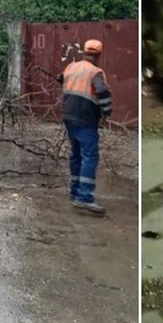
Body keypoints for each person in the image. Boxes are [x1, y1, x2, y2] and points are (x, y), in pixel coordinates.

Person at [57, 39, 113, 215]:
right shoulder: (95, 72)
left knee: (76, 154)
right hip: (85, 118)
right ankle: (84, 197)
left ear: (84, 52)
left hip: (68, 116)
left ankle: (74, 192)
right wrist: (107, 110)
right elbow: (102, 92)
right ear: (98, 55)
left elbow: (62, 78)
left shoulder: (71, 67)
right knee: (89, 156)